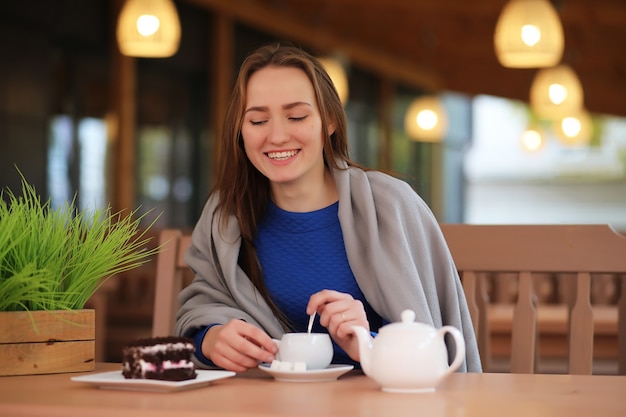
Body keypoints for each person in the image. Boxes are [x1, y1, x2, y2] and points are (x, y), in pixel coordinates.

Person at [175, 43, 482, 373]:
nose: (277, 136)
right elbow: (199, 314)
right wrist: (211, 340)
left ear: (331, 121)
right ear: (240, 131)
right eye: (258, 120)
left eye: (296, 116)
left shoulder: (391, 205)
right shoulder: (226, 214)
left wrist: (368, 342)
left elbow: (434, 347)